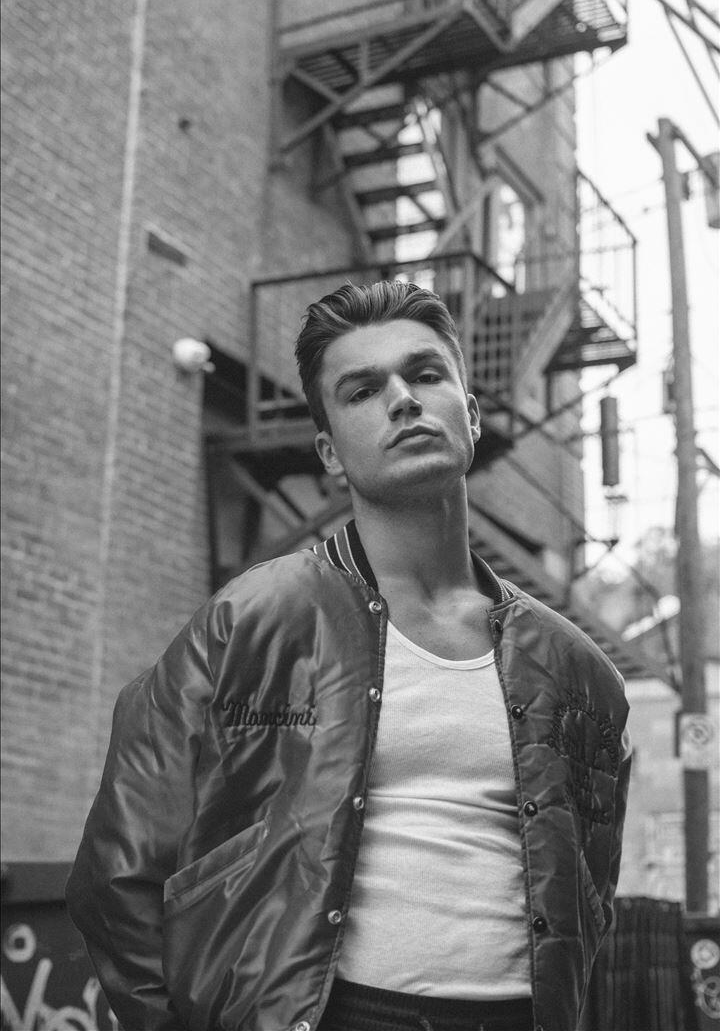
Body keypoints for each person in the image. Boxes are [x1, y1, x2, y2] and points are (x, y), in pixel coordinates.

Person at [66, 280, 631, 1031]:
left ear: (469, 415)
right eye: (363, 390)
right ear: (330, 454)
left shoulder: (578, 670)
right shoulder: (251, 622)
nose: (403, 400)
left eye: (425, 374)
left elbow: (589, 892)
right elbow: (117, 871)